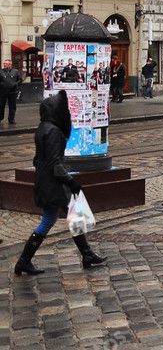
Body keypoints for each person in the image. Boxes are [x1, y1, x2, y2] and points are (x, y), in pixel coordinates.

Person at [14, 90, 106, 276]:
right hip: (53, 183)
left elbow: (38, 159)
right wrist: (71, 182)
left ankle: (25, 261)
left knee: (58, 217)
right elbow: (55, 164)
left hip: (45, 181)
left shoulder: (43, 128)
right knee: (68, 216)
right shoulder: (54, 132)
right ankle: (85, 254)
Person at [0, 59, 23, 125]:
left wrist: (15, 84)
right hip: (2, 92)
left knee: (12, 106)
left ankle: (11, 119)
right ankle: (0, 118)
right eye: (4, 63)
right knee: (1, 106)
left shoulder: (15, 71)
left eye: (5, 63)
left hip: (13, 92)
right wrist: (2, 84)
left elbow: (20, 80)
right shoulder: (1, 71)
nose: (4, 64)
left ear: (10, 64)